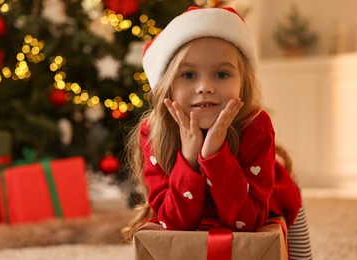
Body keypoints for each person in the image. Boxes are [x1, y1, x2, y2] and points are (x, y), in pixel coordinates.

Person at [123, 6, 312, 259]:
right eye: (188, 75)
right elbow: (175, 224)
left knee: (292, 203)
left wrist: (215, 156)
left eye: (222, 74)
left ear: (243, 82)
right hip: (198, 209)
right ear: (167, 86)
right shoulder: (154, 131)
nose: (205, 87)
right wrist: (189, 159)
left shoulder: (256, 125)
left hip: (268, 196)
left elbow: (247, 222)